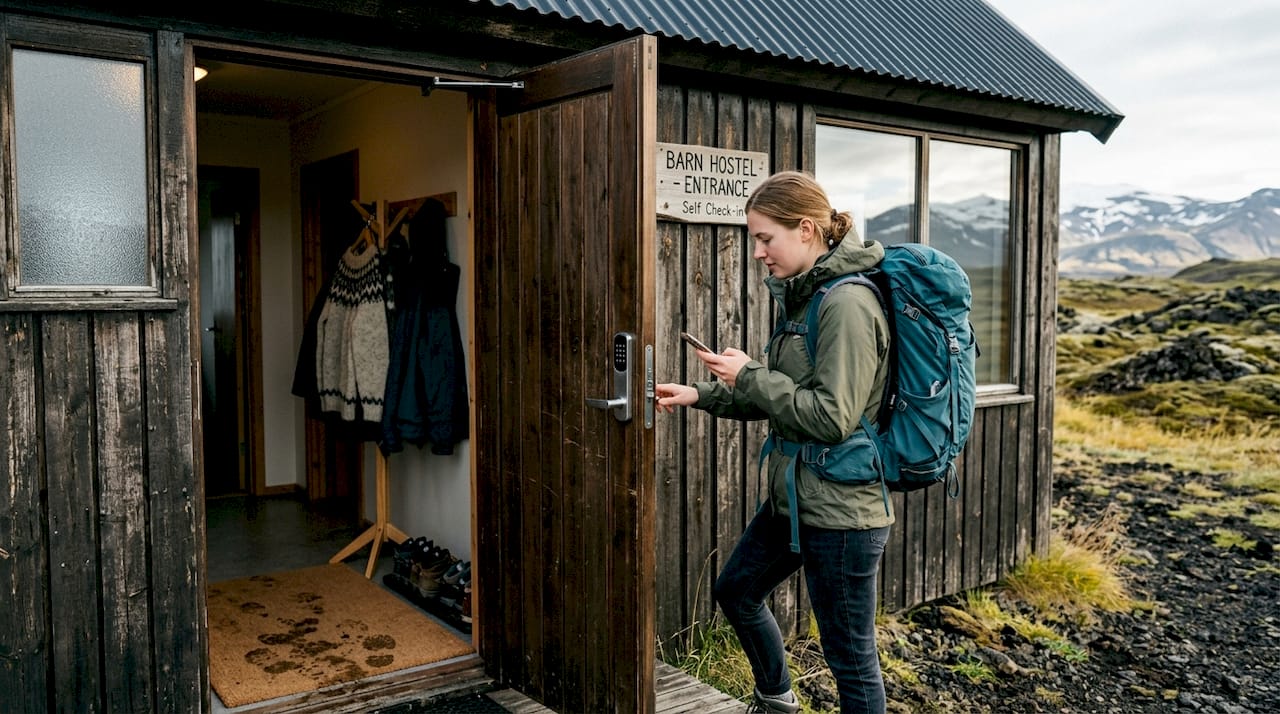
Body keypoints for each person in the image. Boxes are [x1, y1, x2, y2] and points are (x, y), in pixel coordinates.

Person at [656, 170, 893, 714]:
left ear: (806, 229)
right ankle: (776, 699)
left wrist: (750, 375)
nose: (758, 251)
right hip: (798, 498)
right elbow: (779, 397)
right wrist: (700, 393)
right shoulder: (805, 299)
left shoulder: (847, 304)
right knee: (737, 591)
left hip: (842, 512)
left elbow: (831, 417)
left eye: (766, 237)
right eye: (755, 239)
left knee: (852, 662)